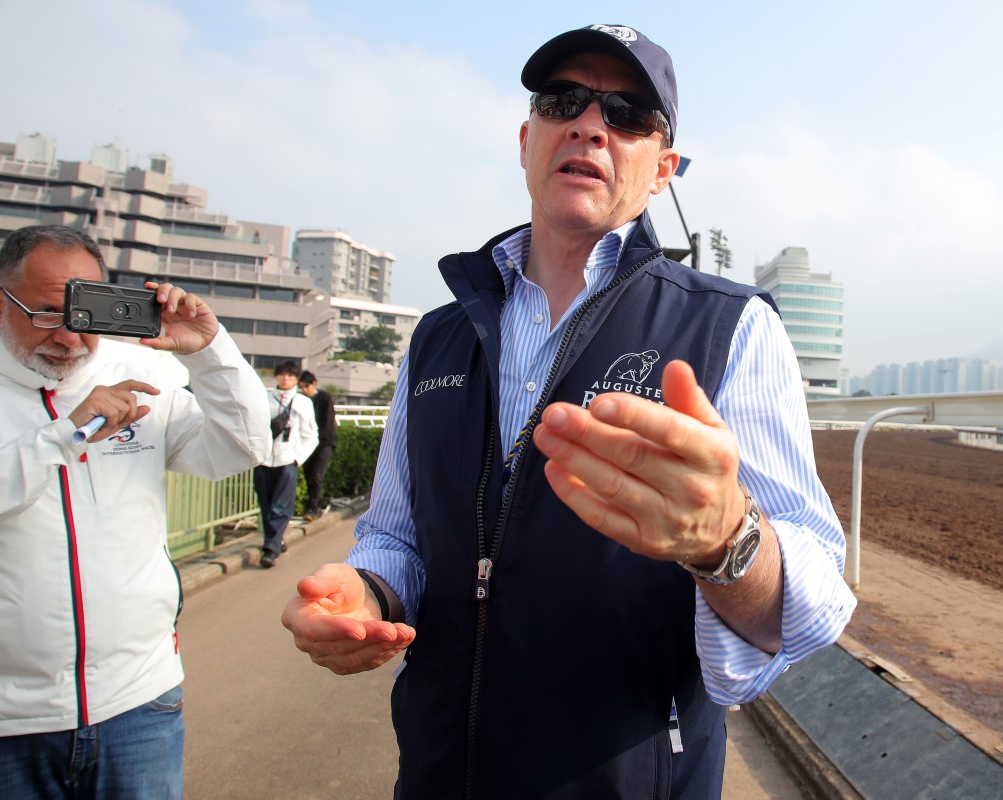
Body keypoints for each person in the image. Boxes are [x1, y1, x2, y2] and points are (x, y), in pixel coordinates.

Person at [283, 24, 857, 798]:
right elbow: (395, 535)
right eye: (564, 101)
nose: (589, 123)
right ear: (528, 140)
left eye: (625, 113)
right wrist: (366, 593)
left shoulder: (729, 328)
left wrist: (727, 540)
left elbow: (809, 608)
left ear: (663, 170)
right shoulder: (439, 338)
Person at [0, 224, 270, 799]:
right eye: (48, 313)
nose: (70, 338)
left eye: (85, 314)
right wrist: (66, 435)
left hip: (139, 701)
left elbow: (247, 447)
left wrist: (210, 351)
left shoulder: (141, 385)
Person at [255, 360, 318, 568]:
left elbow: (311, 436)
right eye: (282, 375)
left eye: (290, 376)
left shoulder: (302, 403)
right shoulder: (264, 398)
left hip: (287, 461)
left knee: (280, 506)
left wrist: (296, 459)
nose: (285, 379)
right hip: (263, 460)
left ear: (296, 379)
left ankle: (269, 549)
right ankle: (276, 540)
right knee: (266, 505)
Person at [298, 369, 337, 521]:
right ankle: (313, 505)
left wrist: (318, 440)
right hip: (307, 444)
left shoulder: (324, 398)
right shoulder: (301, 400)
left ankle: (312, 508)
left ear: (313, 383)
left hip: (324, 443)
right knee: (309, 476)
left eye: (306, 386)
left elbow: (328, 423)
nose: (304, 390)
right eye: (301, 387)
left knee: (316, 475)